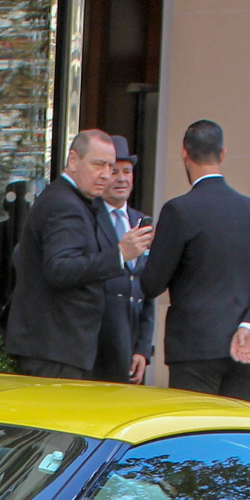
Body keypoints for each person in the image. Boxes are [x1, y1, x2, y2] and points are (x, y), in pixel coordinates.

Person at [137, 119, 250, 399]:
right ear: (223, 154)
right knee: (234, 434)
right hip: (244, 344)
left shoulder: (179, 211)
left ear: (184, 153)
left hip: (194, 346)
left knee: (194, 432)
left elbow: (152, 283)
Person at [3, 128, 155, 381]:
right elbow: (60, 269)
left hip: (62, 349)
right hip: (55, 350)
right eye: (99, 165)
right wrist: (119, 254)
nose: (106, 175)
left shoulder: (74, 201)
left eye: (111, 166)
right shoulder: (64, 203)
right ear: (73, 160)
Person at [105, 140, 154, 385]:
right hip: (99, 350)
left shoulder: (141, 221)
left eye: (127, 171)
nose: (122, 178)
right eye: (114, 171)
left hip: (132, 352)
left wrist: (143, 350)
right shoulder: (88, 219)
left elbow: (147, 291)